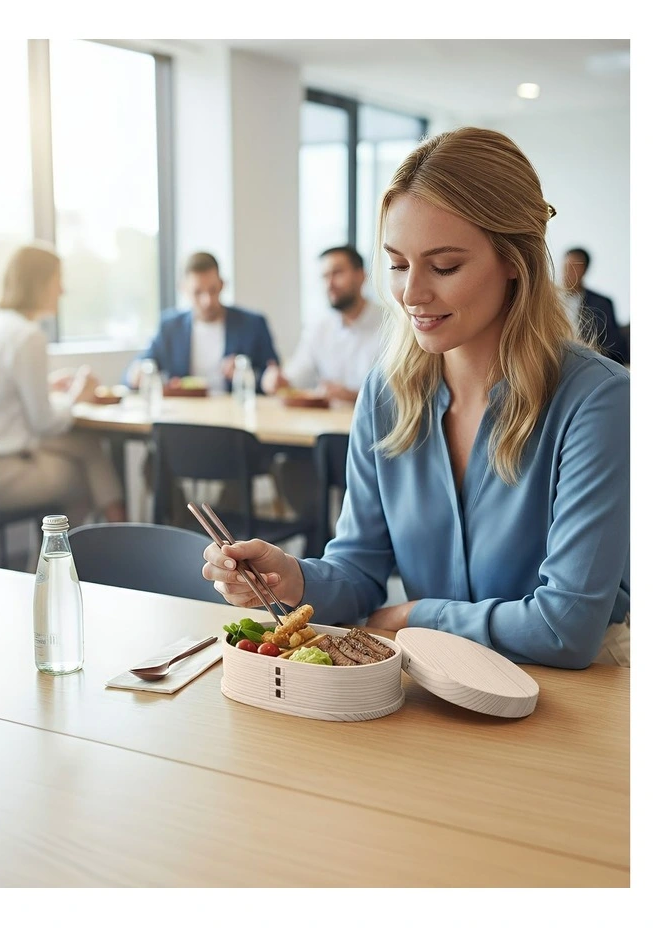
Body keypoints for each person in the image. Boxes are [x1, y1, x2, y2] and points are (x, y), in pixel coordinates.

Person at [200, 127, 630, 670]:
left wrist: (415, 615)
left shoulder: (599, 402)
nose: (410, 293)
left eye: (444, 266)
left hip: (577, 688)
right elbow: (359, 571)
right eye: (399, 264)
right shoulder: (385, 393)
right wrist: (293, 576)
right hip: (437, 677)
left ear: (514, 263)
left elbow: (564, 629)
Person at [0, 243, 126, 525]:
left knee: (87, 445)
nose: (63, 290)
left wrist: (47, 386)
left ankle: (113, 539)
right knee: (83, 480)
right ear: (39, 284)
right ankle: (115, 542)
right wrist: (78, 395)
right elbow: (43, 423)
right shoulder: (28, 335)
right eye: (58, 281)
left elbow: (1, 393)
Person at [125, 252, 280, 393]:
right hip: (185, 415)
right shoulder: (170, 327)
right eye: (198, 292)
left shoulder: (253, 325)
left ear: (222, 284)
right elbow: (143, 365)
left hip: (235, 416)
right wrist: (138, 372)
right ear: (183, 289)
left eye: (213, 290)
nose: (207, 301)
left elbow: (271, 375)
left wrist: (247, 375)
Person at [261, 245, 382, 403]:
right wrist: (276, 380)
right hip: (327, 424)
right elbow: (295, 377)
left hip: (377, 424)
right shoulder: (318, 327)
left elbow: (400, 391)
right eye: (325, 276)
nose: (329, 284)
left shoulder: (392, 325)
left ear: (361, 276)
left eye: (337, 273)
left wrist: (354, 396)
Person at [562, 247, 629, 365]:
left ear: (584, 270)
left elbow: (614, 345)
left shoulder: (602, 304)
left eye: (574, 268)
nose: (568, 273)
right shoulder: (549, 301)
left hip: (589, 364)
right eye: (566, 267)